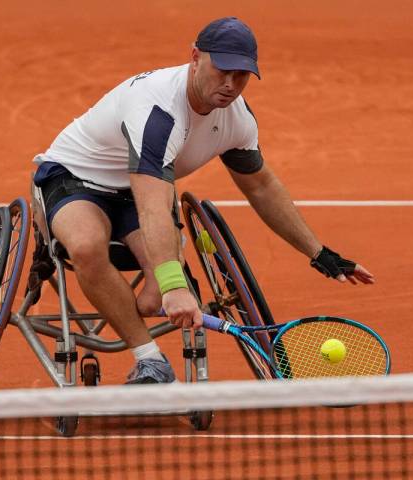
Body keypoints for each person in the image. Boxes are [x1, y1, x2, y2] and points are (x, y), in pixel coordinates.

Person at [32, 17, 374, 384]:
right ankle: (150, 359)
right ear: (196, 58)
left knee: (151, 300)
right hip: (75, 180)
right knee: (86, 247)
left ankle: (127, 316)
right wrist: (174, 283)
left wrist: (317, 252)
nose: (230, 85)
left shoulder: (236, 119)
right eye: (222, 70)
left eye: (241, 75)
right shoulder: (159, 111)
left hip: (137, 193)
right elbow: (152, 205)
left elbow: (260, 186)